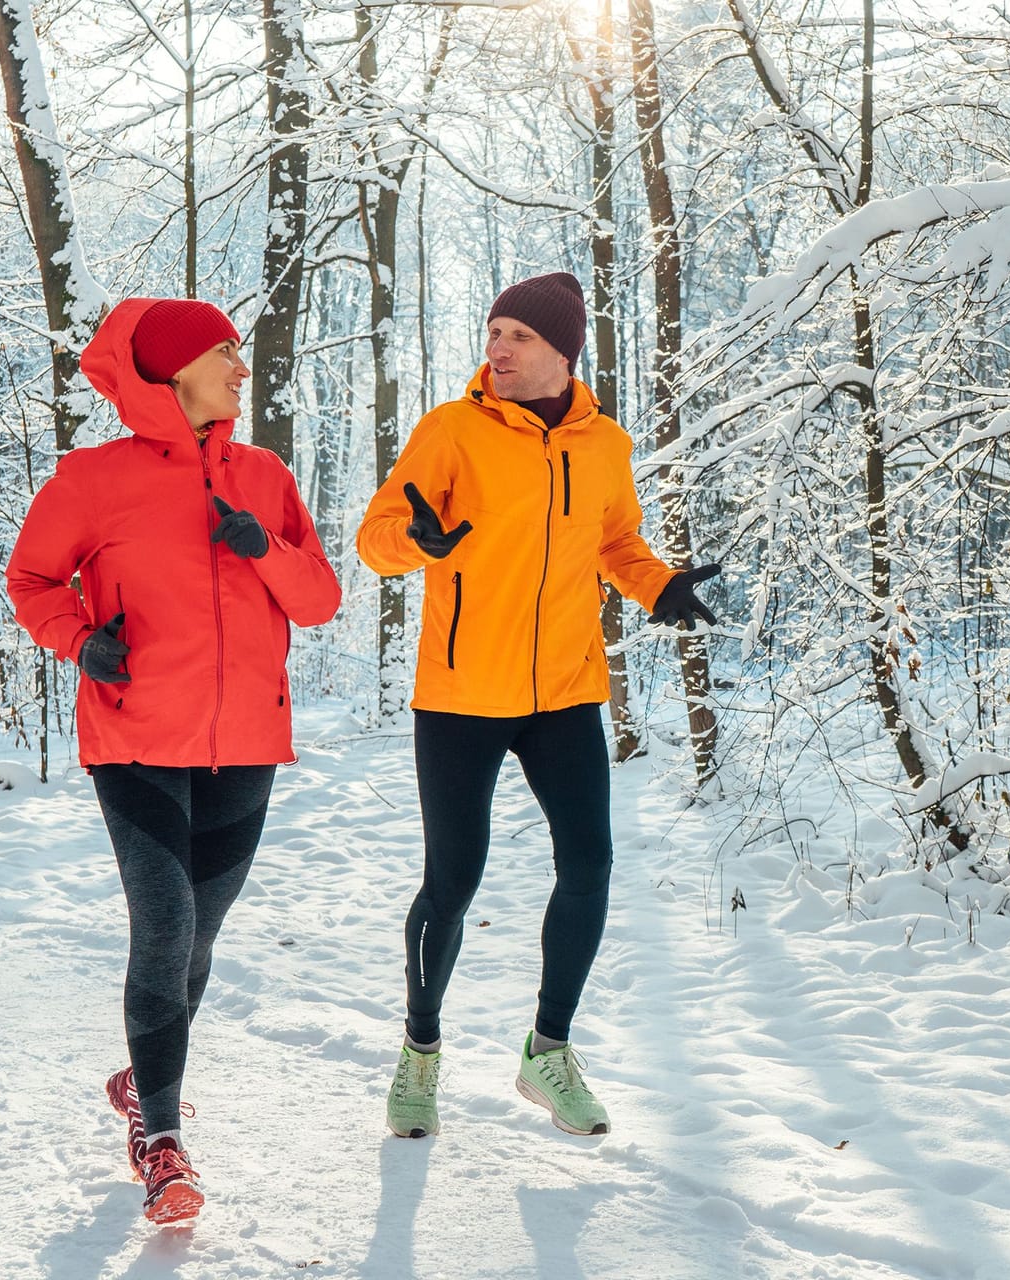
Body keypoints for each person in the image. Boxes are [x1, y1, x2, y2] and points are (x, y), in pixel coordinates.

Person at [356, 271, 719, 1139]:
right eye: (492, 332)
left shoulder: (606, 445)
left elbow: (616, 541)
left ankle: (547, 1051)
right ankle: (419, 1052)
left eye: (517, 335)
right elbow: (375, 540)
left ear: (563, 352)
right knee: (453, 879)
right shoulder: (452, 431)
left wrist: (657, 586)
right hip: (460, 696)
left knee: (589, 866)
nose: (498, 348)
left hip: (563, 691)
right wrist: (416, 538)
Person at [6, 297, 341, 1225]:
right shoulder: (93, 478)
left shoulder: (263, 475)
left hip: (245, 744)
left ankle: (143, 1071)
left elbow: (319, 600)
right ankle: (160, 1139)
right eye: (227, 353)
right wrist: (80, 641)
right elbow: (31, 579)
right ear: (175, 370)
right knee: (165, 919)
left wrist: (261, 545)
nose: (243, 369)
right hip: (137, 734)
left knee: (200, 931)